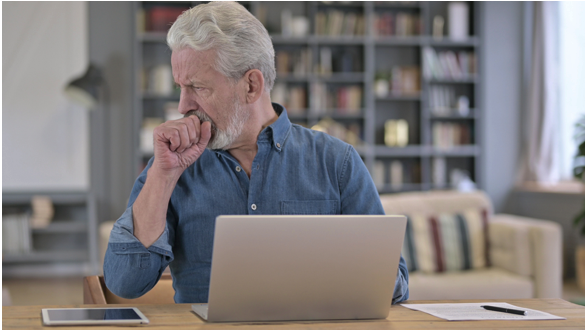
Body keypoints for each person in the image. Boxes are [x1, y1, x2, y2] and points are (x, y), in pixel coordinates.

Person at [104, 1, 409, 304]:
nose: (183, 106)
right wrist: (163, 175)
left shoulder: (336, 162)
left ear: (251, 85)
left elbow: (394, 285)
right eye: (180, 88)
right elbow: (125, 282)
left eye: (197, 88)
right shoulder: (171, 167)